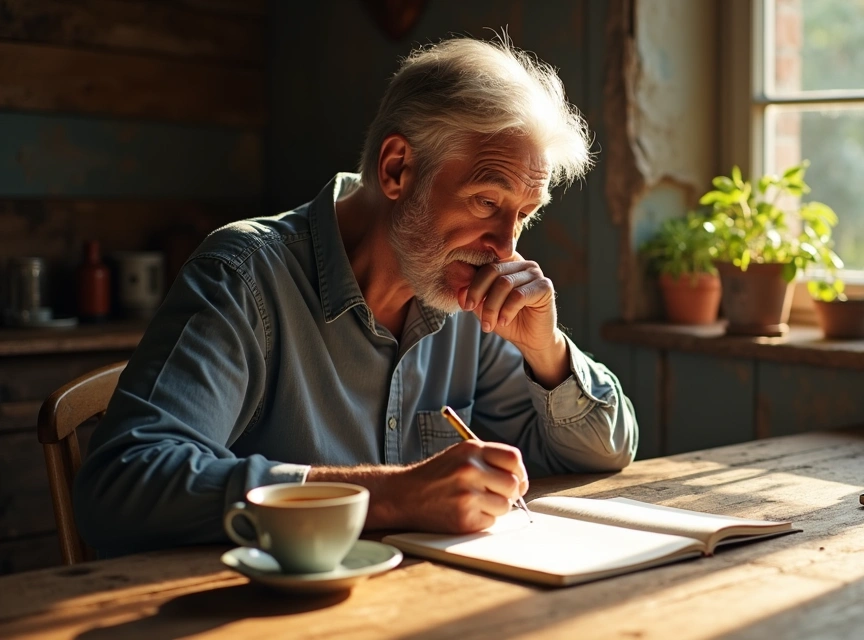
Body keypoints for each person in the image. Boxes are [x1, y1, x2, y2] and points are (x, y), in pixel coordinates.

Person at [74, 37, 638, 556]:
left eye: (524, 215)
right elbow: (122, 485)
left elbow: (603, 453)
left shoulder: (465, 296)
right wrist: (392, 495)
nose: (504, 247)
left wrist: (549, 353)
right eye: (487, 203)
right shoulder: (245, 274)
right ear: (397, 169)